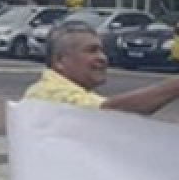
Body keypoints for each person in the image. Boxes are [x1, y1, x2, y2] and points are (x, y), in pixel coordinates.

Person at [25, 21, 179, 113]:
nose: (102, 58)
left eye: (101, 50)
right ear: (59, 60)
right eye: (91, 50)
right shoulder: (51, 92)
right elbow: (109, 114)